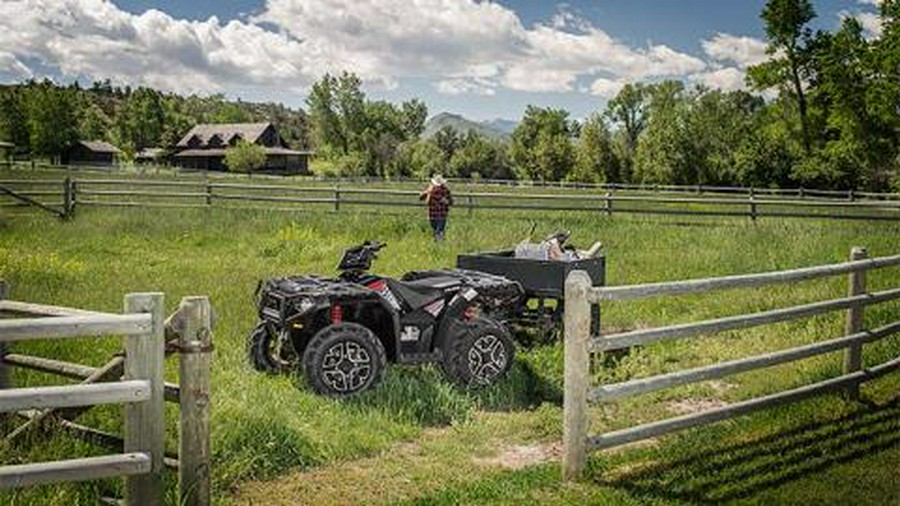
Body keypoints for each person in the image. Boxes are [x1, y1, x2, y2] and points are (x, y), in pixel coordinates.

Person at [419, 174, 453, 240]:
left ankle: (438, 242)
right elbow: (451, 201)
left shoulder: (431, 189)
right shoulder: (445, 190)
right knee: (440, 231)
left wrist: (427, 192)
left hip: (432, 214)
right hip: (442, 214)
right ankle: (440, 243)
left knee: (436, 230)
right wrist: (447, 202)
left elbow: (421, 197)